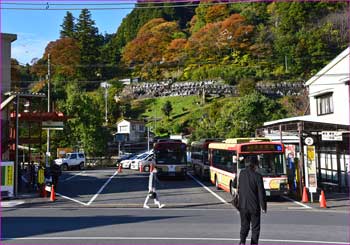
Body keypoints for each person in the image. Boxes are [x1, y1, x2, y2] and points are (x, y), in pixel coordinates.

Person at [238, 156, 267, 245]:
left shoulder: (241, 173)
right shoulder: (258, 176)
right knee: (255, 228)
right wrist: (263, 206)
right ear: (255, 165)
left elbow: (236, 185)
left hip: (242, 205)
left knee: (244, 225)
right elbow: (261, 193)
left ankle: (242, 241)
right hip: (254, 206)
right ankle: (253, 243)